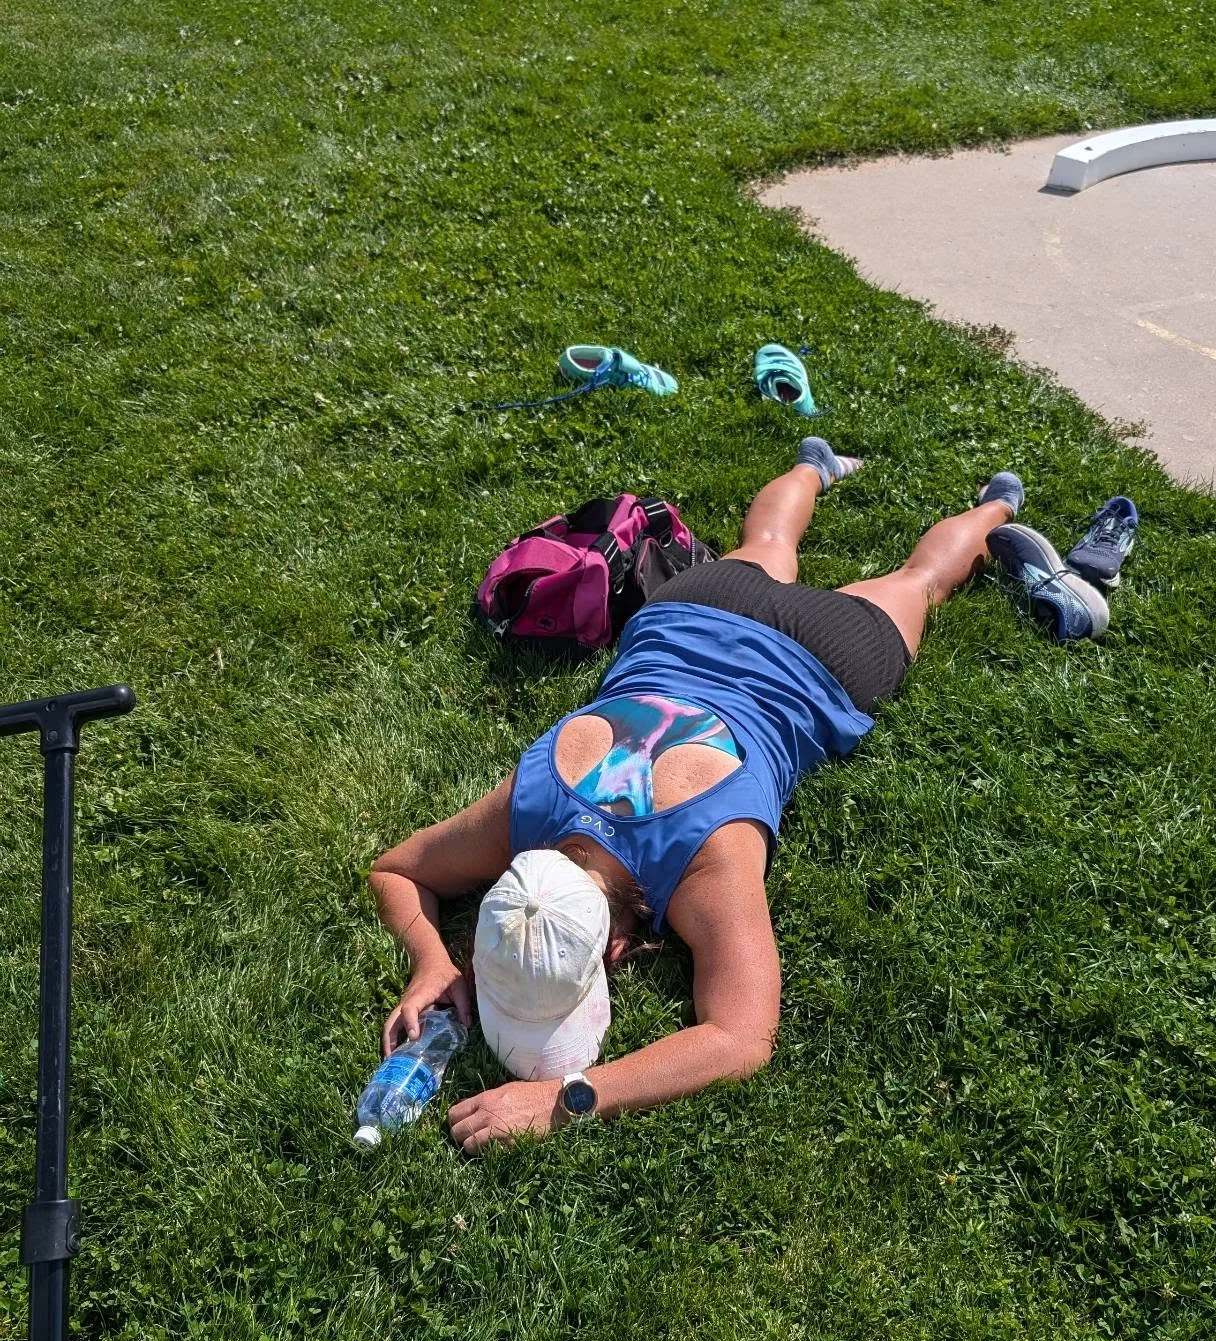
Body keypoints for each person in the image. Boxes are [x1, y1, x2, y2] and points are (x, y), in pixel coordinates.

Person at [367, 439, 1116, 1153]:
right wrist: (434, 964)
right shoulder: (531, 803)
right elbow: (396, 869)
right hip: (697, 611)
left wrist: (567, 1098)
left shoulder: (706, 862)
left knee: (918, 582)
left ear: (619, 947)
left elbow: (742, 1038)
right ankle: (888, 483)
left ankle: (987, 507)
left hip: (822, 662)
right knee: (771, 539)